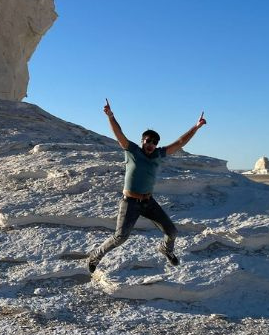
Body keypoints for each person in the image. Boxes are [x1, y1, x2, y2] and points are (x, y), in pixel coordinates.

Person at [87, 99, 207, 274]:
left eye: (154, 142)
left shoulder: (158, 154)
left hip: (148, 202)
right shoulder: (132, 151)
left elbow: (180, 142)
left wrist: (196, 127)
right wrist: (111, 116)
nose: (151, 144)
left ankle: (166, 249)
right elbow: (119, 134)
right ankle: (95, 256)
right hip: (130, 202)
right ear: (142, 140)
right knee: (120, 237)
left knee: (172, 232)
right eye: (148, 141)